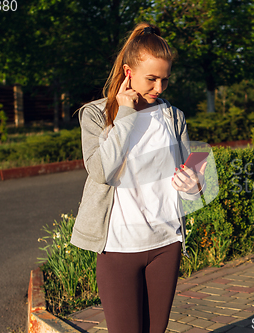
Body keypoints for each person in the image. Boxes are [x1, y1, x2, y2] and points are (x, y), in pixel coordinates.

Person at [70, 22, 207, 333]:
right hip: (118, 247)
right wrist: (127, 115)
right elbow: (101, 171)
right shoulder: (95, 115)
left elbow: (193, 181)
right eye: (152, 78)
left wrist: (195, 186)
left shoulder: (174, 117)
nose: (159, 88)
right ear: (129, 72)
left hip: (166, 244)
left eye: (165, 80)